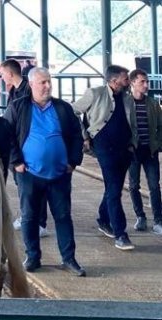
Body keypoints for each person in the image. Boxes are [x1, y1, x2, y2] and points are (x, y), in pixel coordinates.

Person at [3, 67, 86, 276]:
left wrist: (73, 161)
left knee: (63, 216)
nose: (47, 86)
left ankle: (69, 259)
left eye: (49, 81)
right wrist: (16, 162)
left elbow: (77, 135)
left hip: (59, 175)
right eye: (43, 83)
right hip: (29, 174)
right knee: (29, 217)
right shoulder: (18, 107)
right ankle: (32, 257)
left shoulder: (63, 108)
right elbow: (7, 135)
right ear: (31, 84)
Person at [72, 65, 137, 251]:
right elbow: (73, 111)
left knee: (112, 187)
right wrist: (84, 135)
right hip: (104, 147)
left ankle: (103, 219)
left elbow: (132, 123)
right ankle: (120, 234)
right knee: (115, 190)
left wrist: (133, 144)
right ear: (114, 81)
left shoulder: (127, 98)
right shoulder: (95, 93)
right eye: (125, 79)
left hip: (124, 148)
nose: (128, 81)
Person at [0, 58, 48, 237]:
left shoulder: (29, 91)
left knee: (38, 185)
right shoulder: (14, 91)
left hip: (30, 145)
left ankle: (40, 221)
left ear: (10, 73)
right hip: (17, 146)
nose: (2, 77)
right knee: (23, 185)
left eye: (3, 74)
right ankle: (27, 216)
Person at [127, 69, 162, 235]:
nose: (146, 85)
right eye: (142, 82)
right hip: (133, 151)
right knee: (134, 185)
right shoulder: (125, 103)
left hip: (150, 151)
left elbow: (161, 127)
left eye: (146, 82)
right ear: (133, 82)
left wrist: (158, 144)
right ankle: (140, 217)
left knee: (154, 186)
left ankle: (158, 220)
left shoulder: (153, 104)